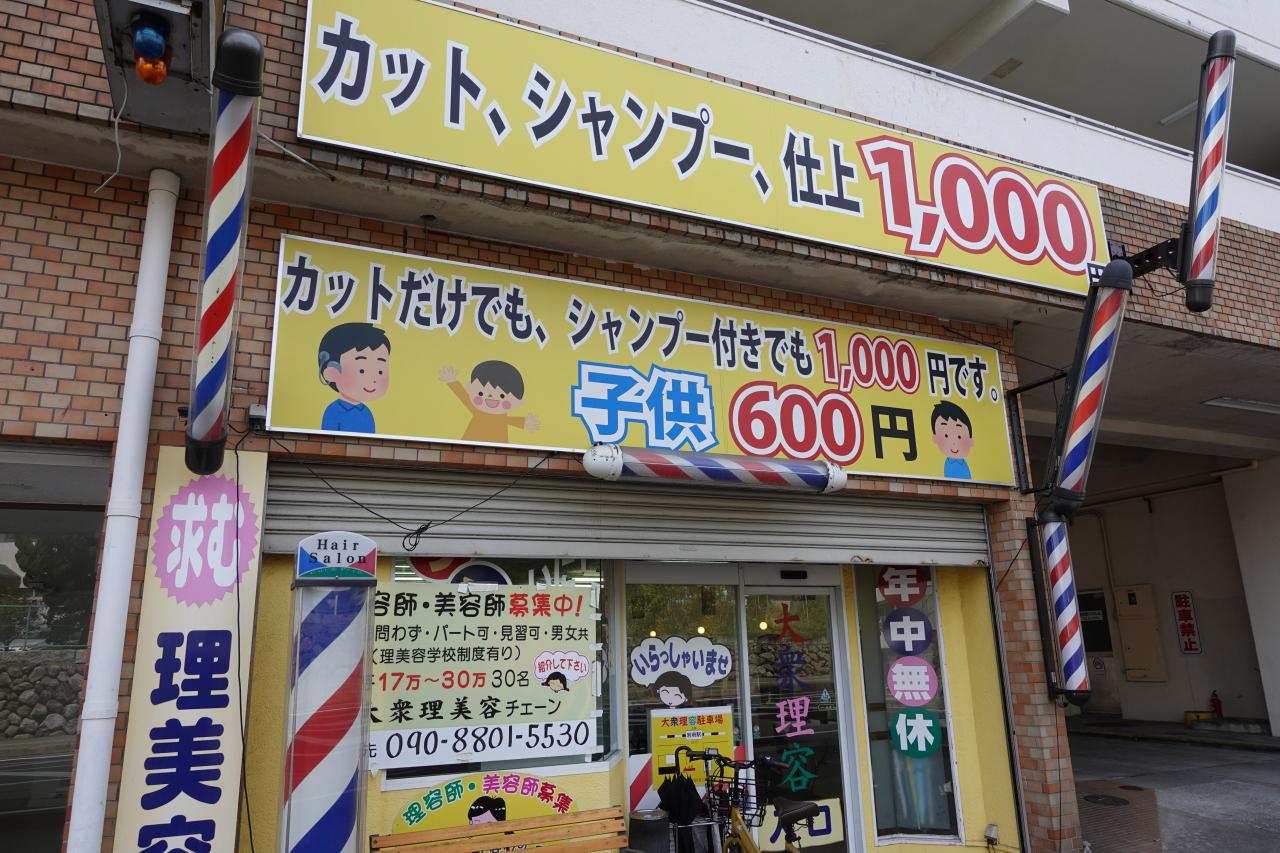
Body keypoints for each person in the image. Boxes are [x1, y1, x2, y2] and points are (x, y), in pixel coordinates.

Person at [440, 361, 540, 443]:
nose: (491, 397)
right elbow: (463, 397)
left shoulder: (501, 418)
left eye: (502, 396)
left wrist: (525, 422)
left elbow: (510, 420)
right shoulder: (477, 411)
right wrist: (452, 381)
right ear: (469, 387)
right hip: (470, 443)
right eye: (481, 393)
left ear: (518, 402)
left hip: (499, 447)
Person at [317, 323, 391, 433]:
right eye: (362, 370)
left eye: (380, 371)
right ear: (332, 373)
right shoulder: (333, 411)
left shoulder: (367, 412)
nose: (373, 379)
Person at [929, 400, 974, 480]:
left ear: (970, 441)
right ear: (935, 438)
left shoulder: (964, 464)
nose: (953, 443)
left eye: (959, 437)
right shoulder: (948, 464)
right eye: (946, 436)